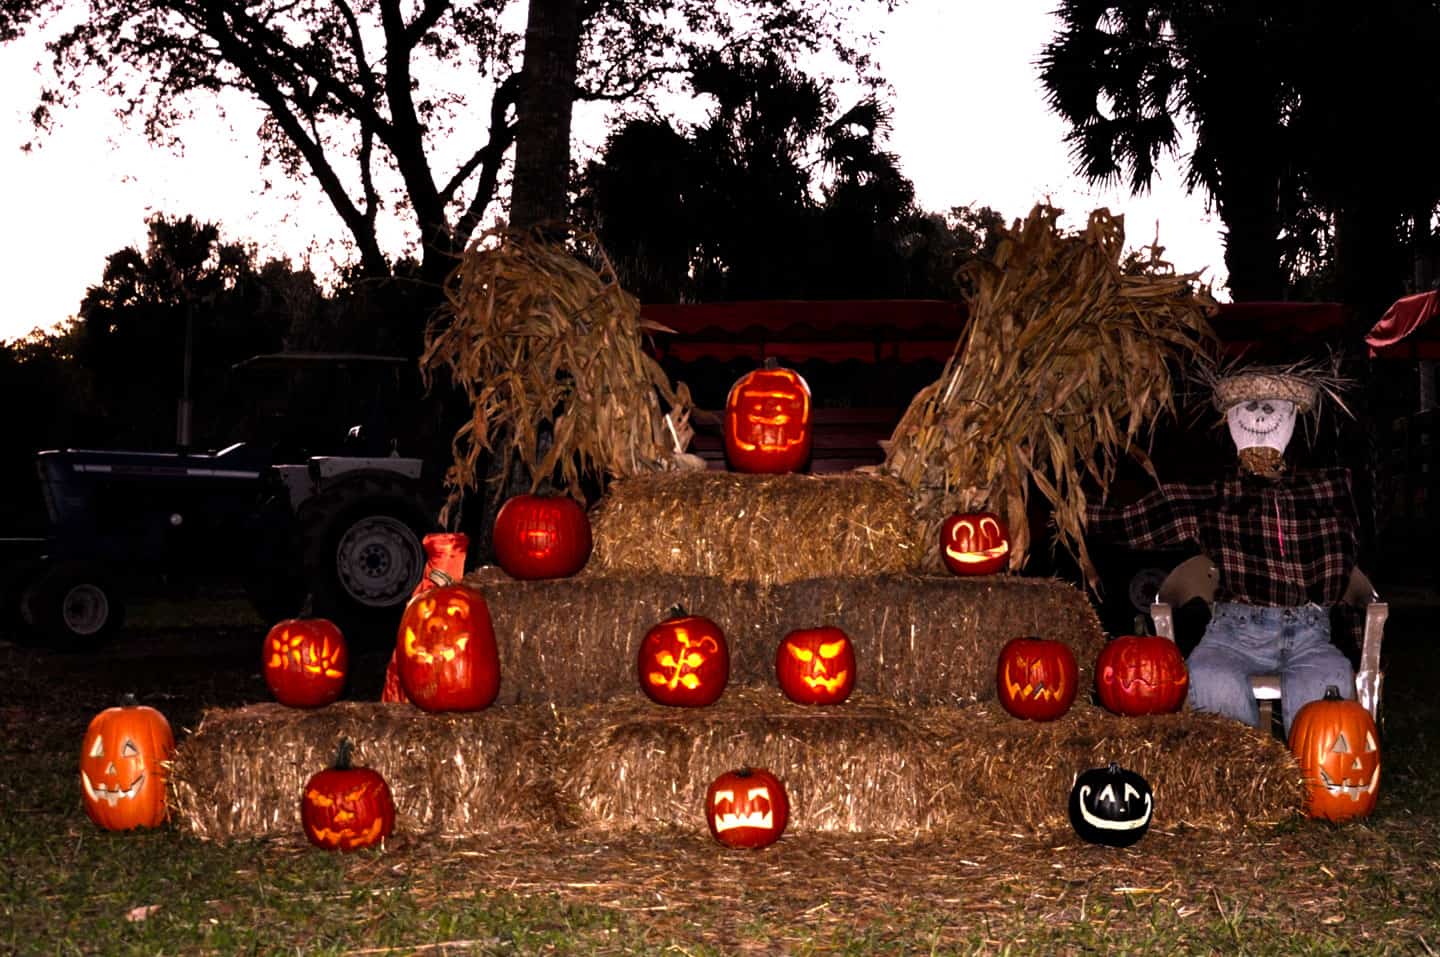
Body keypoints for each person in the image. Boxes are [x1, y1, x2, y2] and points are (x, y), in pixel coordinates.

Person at [1084, 366, 1358, 736]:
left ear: (1292, 416)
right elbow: (1139, 519)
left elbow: (1344, 560)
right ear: (1230, 419)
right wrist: (1073, 512)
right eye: (1248, 407)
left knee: (1328, 688)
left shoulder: (1322, 490)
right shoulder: (1218, 497)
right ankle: (1244, 783)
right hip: (1235, 634)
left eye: (1272, 407)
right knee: (1211, 680)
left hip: (1309, 634)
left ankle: (1314, 791)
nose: (1260, 416)